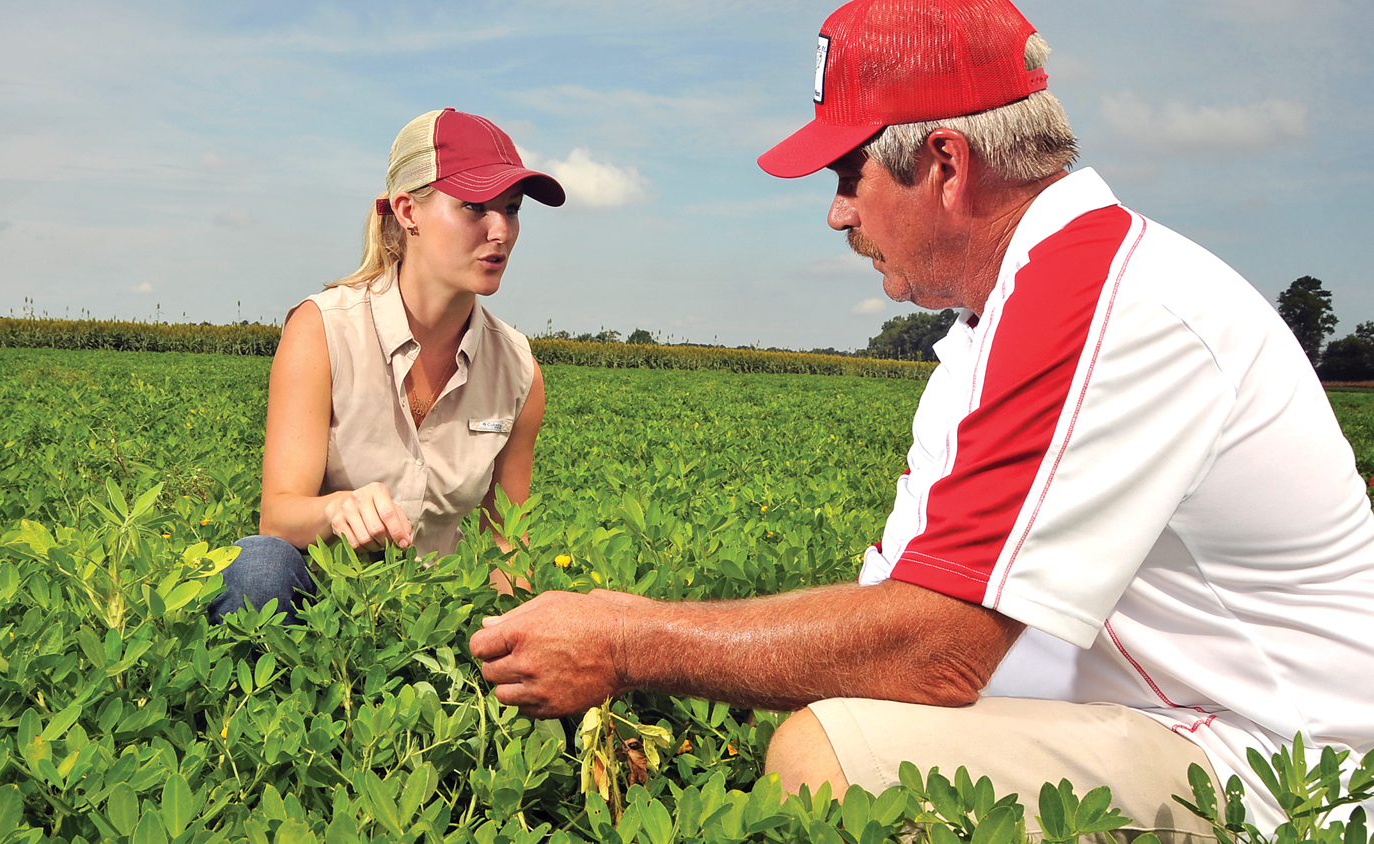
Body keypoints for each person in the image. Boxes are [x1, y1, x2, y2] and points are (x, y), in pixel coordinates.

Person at [467, 0, 1374, 839]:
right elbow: (890, 611)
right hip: (1147, 716)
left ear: (945, 163)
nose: (837, 213)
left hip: (1273, 766)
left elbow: (932, 654)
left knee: (829, 761)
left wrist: (632, 640)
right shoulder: (996, 321)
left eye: (846, 172)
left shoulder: (1100, 301)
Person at [210, 108, 565, 625]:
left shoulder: (519, 372)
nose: (501, 231)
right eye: (474, 207)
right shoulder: (322, 331)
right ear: (407, 210)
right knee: (258, 567)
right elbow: (278, 515)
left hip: (436, 619)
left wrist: (513, 639)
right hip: (326, 605)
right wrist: (337, 509)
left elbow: (505, 542)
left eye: (511, 210)